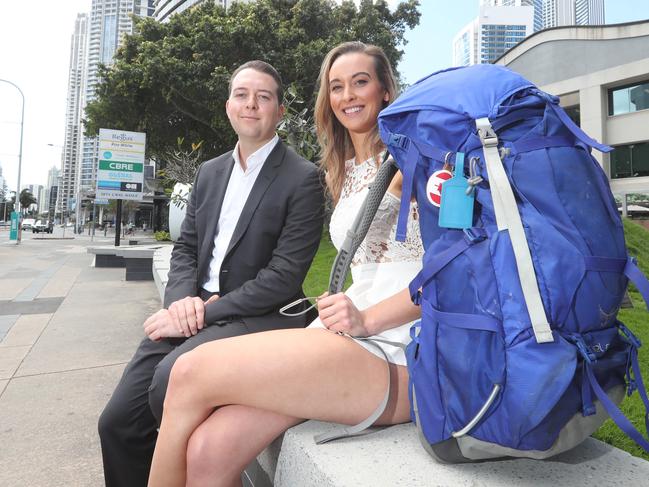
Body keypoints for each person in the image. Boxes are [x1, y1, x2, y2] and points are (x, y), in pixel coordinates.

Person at [147, 42, 424, 487]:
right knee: (208, 451)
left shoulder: (416, 162)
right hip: (346, 330)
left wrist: (367, 317)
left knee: (188, 371)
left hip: (400, 348)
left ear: (386, 90)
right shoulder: (346, 170)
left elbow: (454, 273)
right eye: (337, 87)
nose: (348, 96)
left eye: (361, 82)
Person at [97, 60, 325, 487]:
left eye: (264, 97)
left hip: (257, 314)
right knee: (117, 423)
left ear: (279, 111)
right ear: (228, 107)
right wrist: (181, 301)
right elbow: (185, 248)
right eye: (242, 95)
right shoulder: (209, 172)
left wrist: (201, 313)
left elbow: (283, 277)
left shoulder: (304, 179)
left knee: (167, 384)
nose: (251, 104)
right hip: (191, 308)